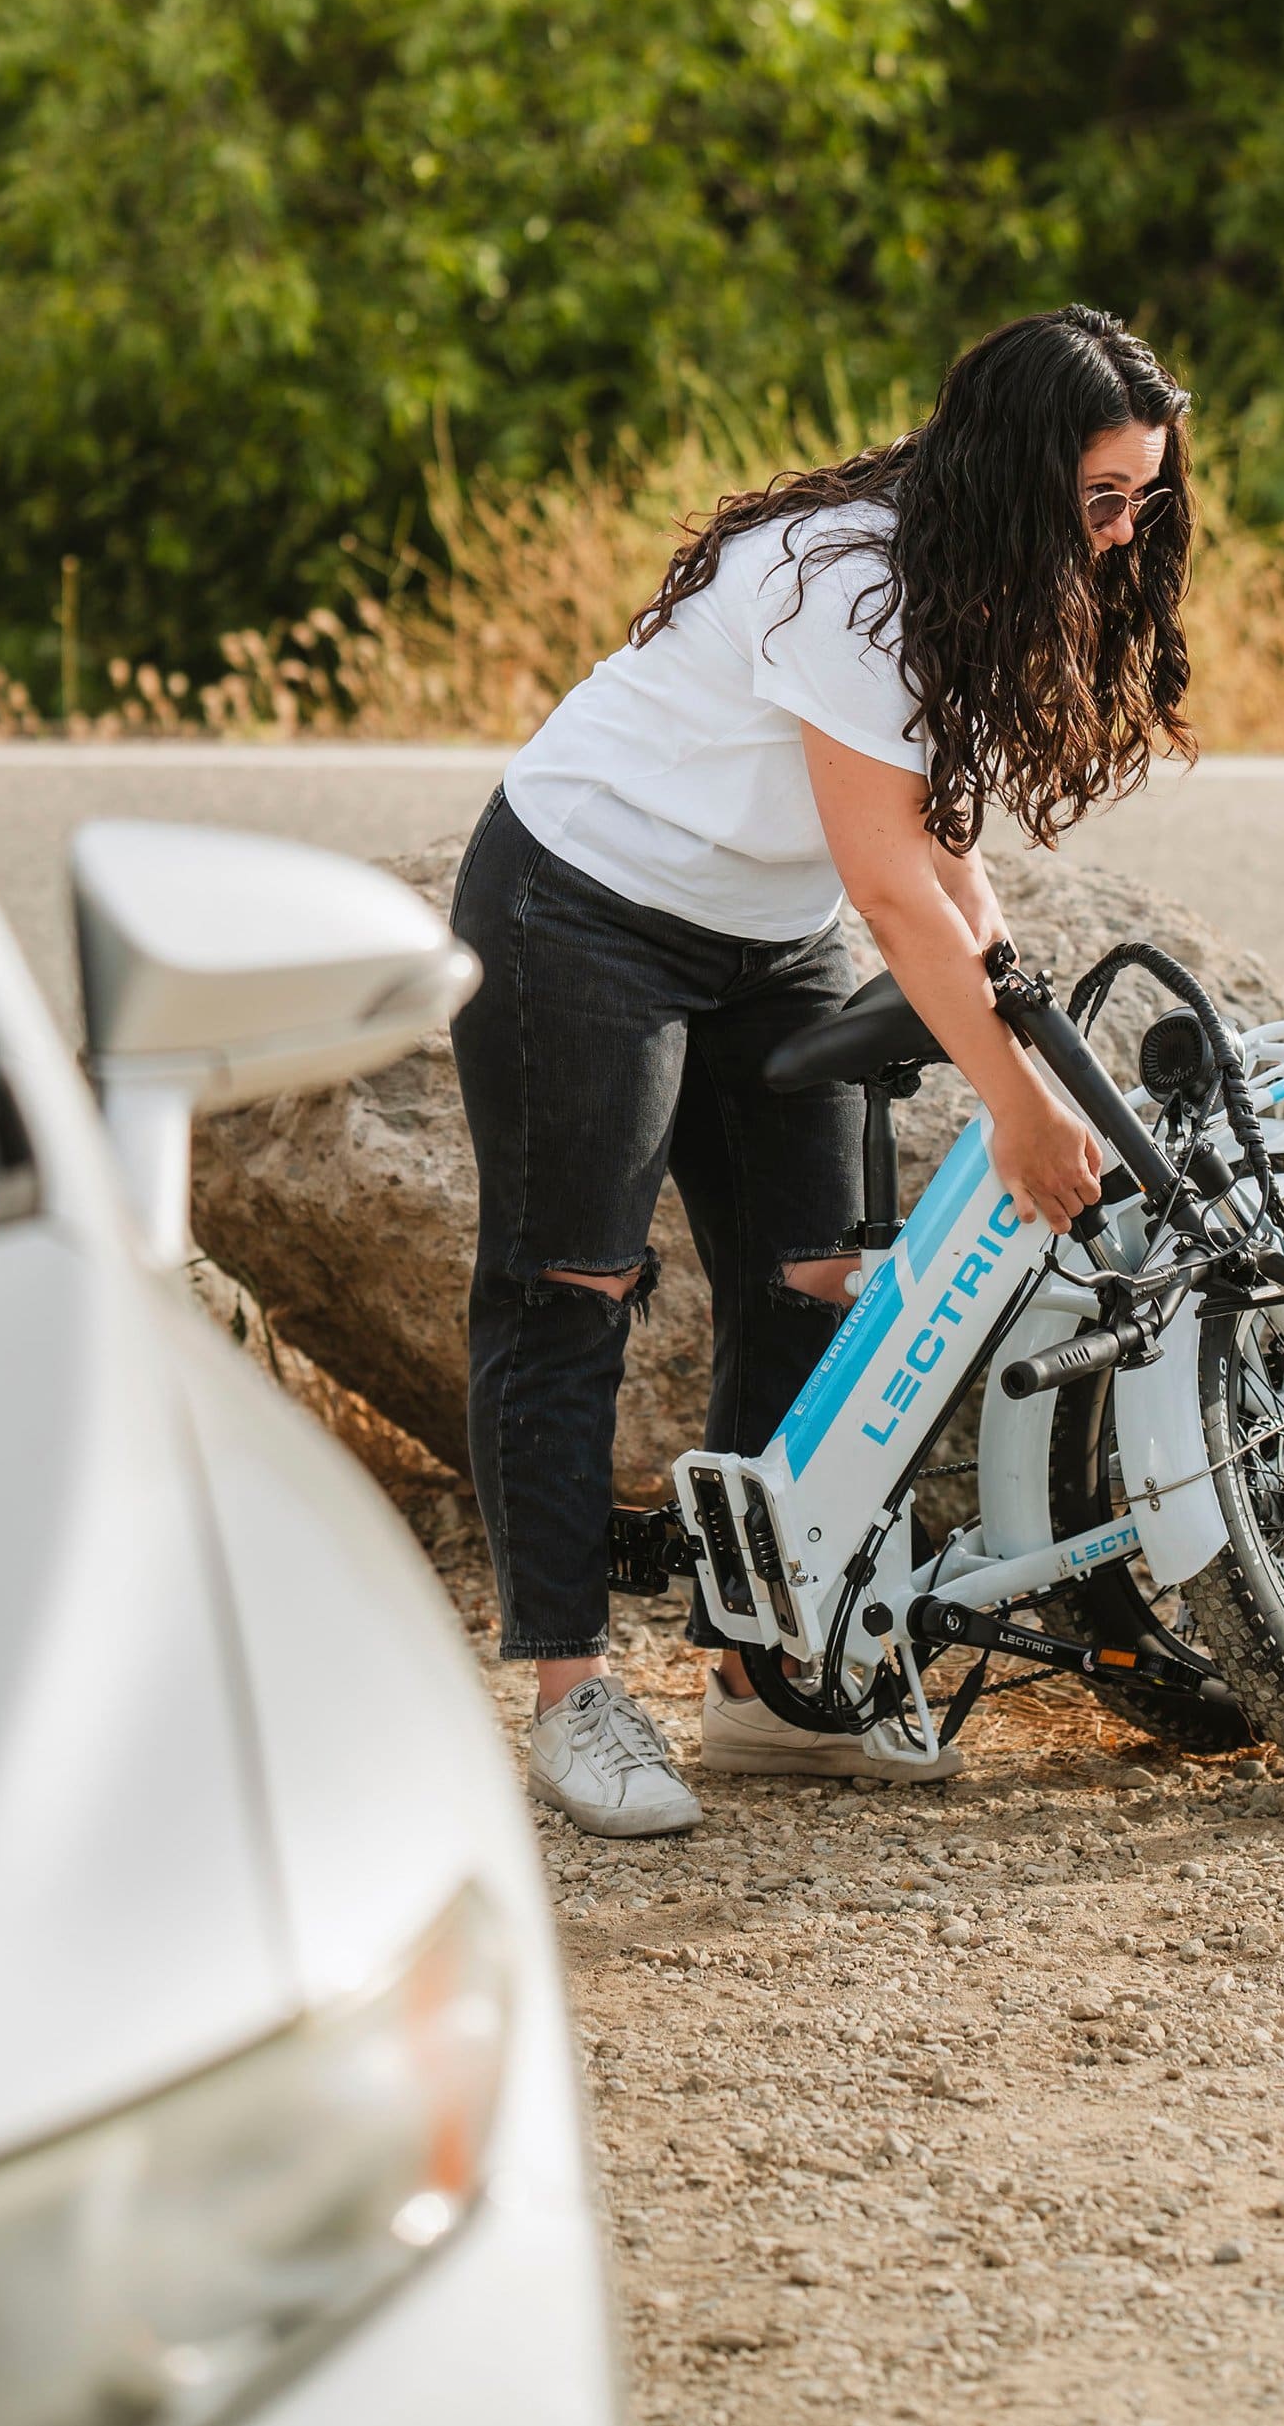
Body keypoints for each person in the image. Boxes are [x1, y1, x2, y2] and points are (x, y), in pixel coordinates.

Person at [449, 305, 1195, 1837]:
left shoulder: (974, 569)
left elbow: (943, 853)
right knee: (570, 1282)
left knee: (815, 1280)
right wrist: (1017, 1103)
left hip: (757, 934)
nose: (1124, 536)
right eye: (1102, 498)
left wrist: (1025, 1016)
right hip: (581, 905)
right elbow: (893, 885)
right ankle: (572, 1693)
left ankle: (762, 1678)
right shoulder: (847, 579)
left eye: (1144, 499)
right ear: (1011, 470)